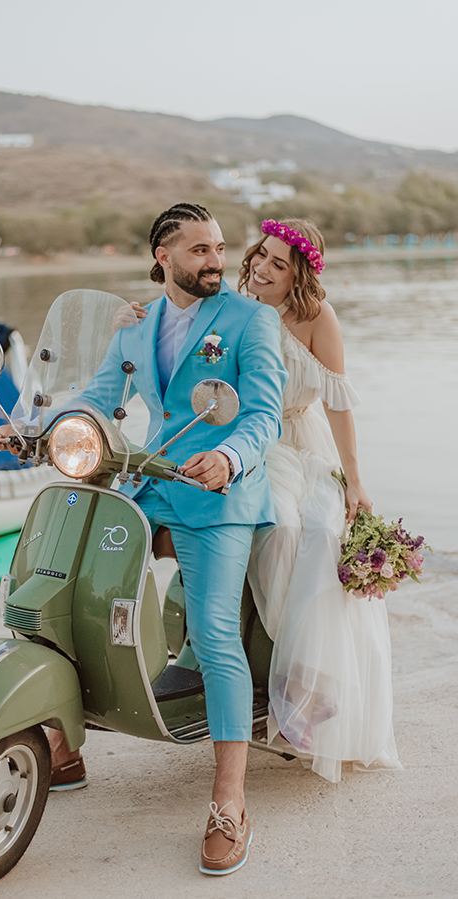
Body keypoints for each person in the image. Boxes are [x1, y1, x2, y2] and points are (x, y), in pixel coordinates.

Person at [0, 203, 288, 875]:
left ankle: (229, 804)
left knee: (212, 633)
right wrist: (36, 431)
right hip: (148, 482)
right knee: (65, 591)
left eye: (218, 247)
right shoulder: (137, 326)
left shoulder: (249, 319)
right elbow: (94, 395)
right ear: (164, 256)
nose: (215, 259)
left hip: (220, 490)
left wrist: (231, 457)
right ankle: (63, 737)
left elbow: (264, 413)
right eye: (199, 249)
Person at [238, 218, 402, 783]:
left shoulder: (316, 318)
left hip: (298, 444)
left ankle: (312, 683)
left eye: (278, 263)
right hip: (246, 445)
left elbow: (338, 403)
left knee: (318, 529)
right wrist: (136, 316)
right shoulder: (233, 306)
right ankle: (301, 674)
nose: (262, 266)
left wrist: (355, 479)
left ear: (298, 274)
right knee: (279, 528)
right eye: (262, 255)